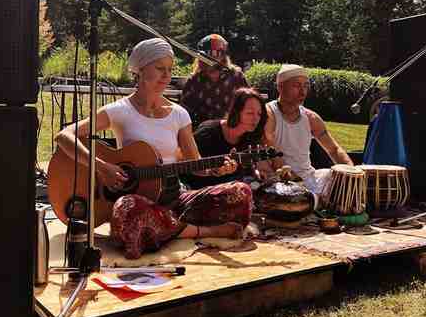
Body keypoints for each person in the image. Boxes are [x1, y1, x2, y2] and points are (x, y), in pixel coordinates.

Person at [54, 38, 253, 260]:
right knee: (128, 211)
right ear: (140, 70)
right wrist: (101, 167)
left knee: (241, 192)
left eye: (169, 69)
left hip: (175, 199)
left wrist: (216, 170)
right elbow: (64, 136)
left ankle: (169, 228)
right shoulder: (119, 111)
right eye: (160, 68)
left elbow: (196, 164)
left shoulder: (179, 114)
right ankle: (203, 231)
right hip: (137, 201)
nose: (166, 76)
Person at [264, 64, 354, 195]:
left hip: (309, 178)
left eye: (305, 86)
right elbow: (271, 150)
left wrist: (352, 173)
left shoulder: (311, 117)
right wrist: (292, 180)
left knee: (339, 178)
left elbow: (334, 150)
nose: (303, 92)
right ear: (280, 86)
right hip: (280, 180)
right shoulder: (269, 113)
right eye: (296, 86)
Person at [186, 87, 273, 189]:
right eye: (250, 113)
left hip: (234, 188)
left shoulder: (250, 135)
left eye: (259, 114)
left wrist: (257, 173)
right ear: (236, 112)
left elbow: (248, 167)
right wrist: (212, 171)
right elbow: (187, 166)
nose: (255, 119)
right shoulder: (208, 132)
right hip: (201, 189)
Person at [180, 34, 249, 128]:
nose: (214, 57)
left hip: (232, 128)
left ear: (224, 55)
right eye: (209, 53)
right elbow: (185, 111)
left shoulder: (236, 75)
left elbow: (248, 101)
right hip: (205, 130)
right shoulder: (195, 79)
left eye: (218, 53)